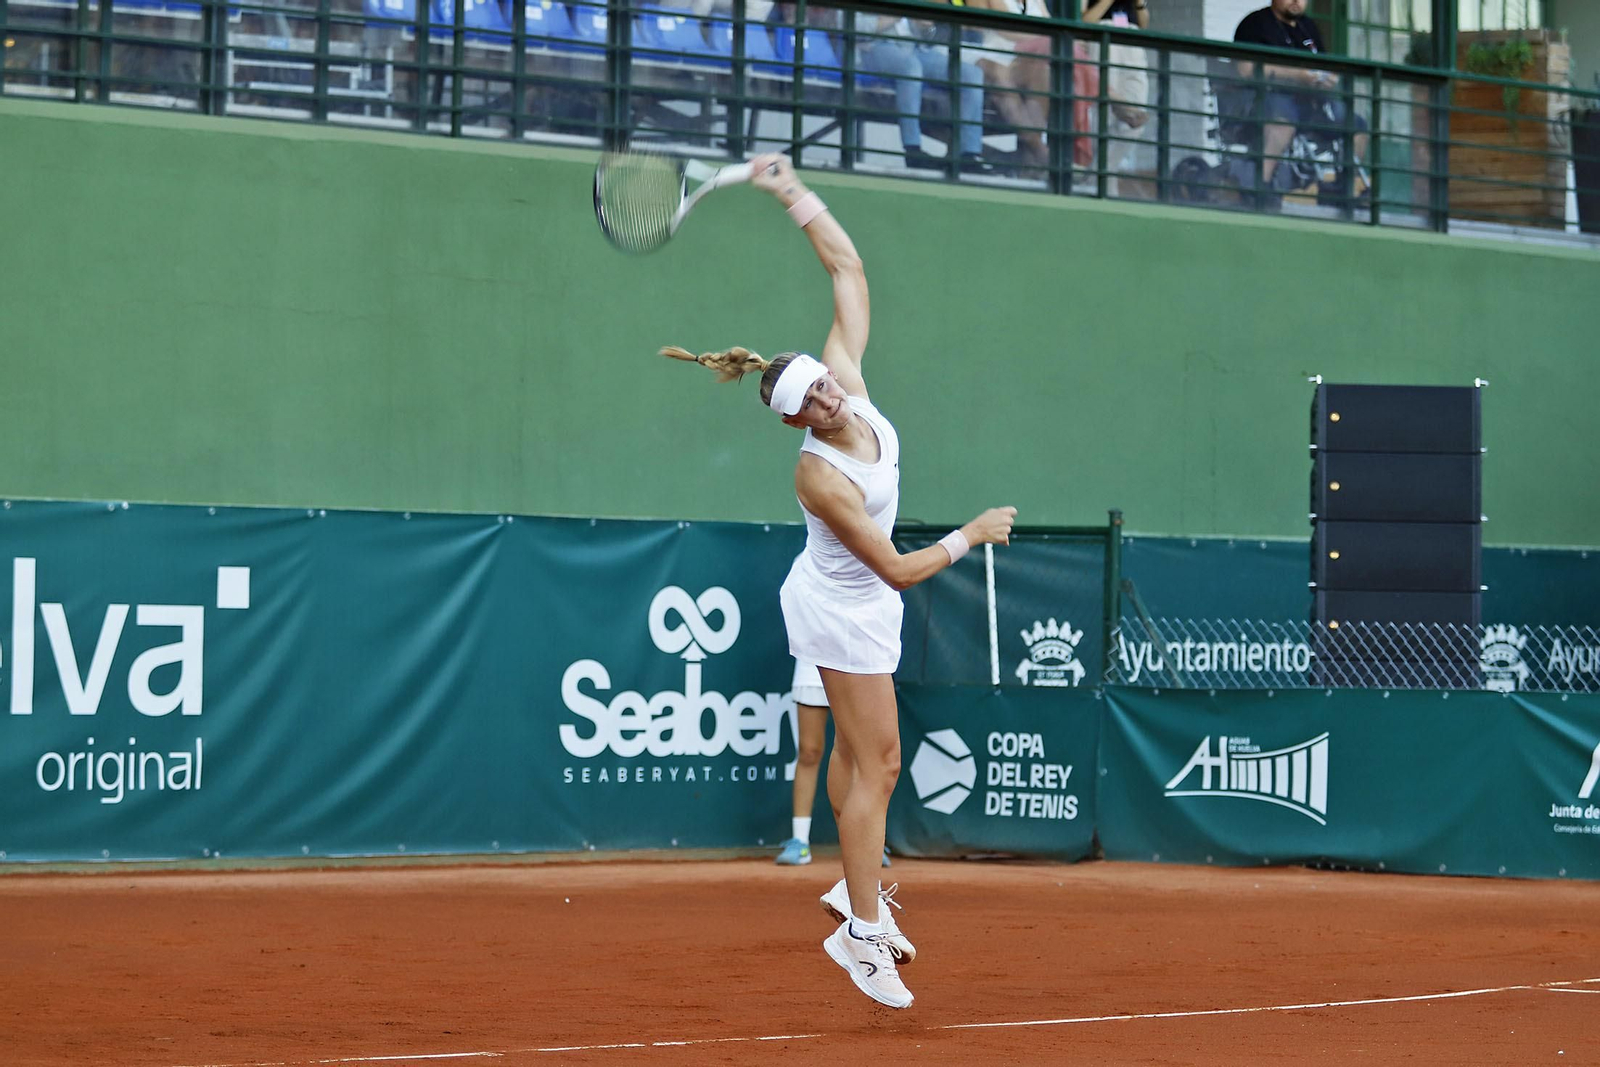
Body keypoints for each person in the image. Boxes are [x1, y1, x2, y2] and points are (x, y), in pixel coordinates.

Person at [660, 154, 1017, 1009]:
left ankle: (853, 893)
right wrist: (971, 533)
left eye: (822, 385)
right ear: (791, 420)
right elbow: (894, 569)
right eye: (810, 403)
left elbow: (846, 267)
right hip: (841, 606)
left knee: (869, 765)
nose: (827, 399)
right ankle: (859, 933)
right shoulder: (816, 474)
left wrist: (792, 192)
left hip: (862, 606)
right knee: (881, 766)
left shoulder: (848, 383)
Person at [1232, 0, 1369, 201]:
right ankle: (1260, 187)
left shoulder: (1308, 27)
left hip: (1312, 102)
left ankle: (1342, 188)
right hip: (1267, 98)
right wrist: (1295, 75)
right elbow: (1245, 70)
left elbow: (1323, 65)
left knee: (1356, 126)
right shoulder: (1254, 24)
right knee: (1283, 121)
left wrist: (1327, 78)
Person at [774, 657, 891, 868]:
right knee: (809, 751)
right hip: (813, 661)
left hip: (856, 662)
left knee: (856, 753)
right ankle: (800, 842)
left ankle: (867, 843)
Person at [852, 7, 992, 174]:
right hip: (876, 46)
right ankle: (913, 150)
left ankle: (968, 154)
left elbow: (931, 36)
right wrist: (891, 17)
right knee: (911, 67)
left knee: (972, 75)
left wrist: (926, 27)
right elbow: (850, 24)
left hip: (918, 50)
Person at [967, 0, 1054, 173]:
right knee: (1000, 73)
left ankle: (1031, 163)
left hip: (1024, 56)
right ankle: (1040, 151)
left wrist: (1042, 35)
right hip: (988, 53)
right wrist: (1042, 34)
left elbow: (1051, 26)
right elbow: (1005, 27)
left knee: (1042, 72)